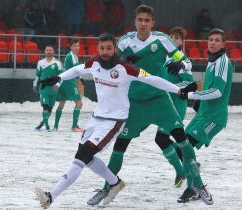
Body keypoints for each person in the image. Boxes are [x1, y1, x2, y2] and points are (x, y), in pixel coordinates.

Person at [34, 33, 189, 209]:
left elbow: (153, 79)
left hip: (114, 121)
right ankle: (115, 183)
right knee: (86, 156)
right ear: (97, 49)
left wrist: (178, 90)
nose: (105, 52)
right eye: (102, 48)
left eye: (109, 48)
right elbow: (78, 69)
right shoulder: (94, 63)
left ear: (115, 48)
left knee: (81, 157)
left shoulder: (127, 68)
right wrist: (60, 77)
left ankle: (50, 197)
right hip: (96, 118)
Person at [87, 5, 212, 206]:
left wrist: (180, 64)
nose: (143, 23)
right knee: (120, 146)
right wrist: (124, 59)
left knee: (182, 139)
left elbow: (186, 61)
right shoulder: (126, 40)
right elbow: (112, 62)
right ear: (135, 22)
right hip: (134, 104)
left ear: (152, 23)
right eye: (140, 20)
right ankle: (106, 188)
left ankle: (198, 184)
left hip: (159, 101)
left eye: (147, 20)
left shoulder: (163, 40)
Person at [177, 28, 232, 204]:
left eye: (217, 40)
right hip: (203, 114)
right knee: (181, 148)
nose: (213, 42)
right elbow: (210, 86)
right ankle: (194, 173)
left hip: (214, 118)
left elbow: (217, 91)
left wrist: (193, 95)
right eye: (211, 39)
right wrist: (200, 100)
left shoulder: (223, 62)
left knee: (186, 147)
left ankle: (192, 187)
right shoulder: (212, 60)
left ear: (224, 44)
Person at [154, 26, 194, 188]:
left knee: (161, 139)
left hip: (176, 106)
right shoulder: (162, 58)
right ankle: (188, 164)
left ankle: (182, 170)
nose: (173, 39)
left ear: (181, 42)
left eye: (177, 38)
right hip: (164, 106)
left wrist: (174, 87)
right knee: (166, 139)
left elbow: (189, 83)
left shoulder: (182, 61)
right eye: (171, 36)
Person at [53, 39, 83, 132]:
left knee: (62, 102)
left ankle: (55, 127)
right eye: (75, 46)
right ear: (70, 47)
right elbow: (76, 71)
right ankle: (74, 127)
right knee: (79, 103)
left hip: (65, 81)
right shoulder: (72, 56)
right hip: (70, 82)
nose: (77, 48)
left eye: (78, 46)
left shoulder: (72, 56)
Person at [33, 45, 62, 132]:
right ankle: (47, 127)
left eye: (50, 50)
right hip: (44, 88)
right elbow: (37, 75)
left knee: (49, 109)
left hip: (53, 89)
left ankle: (41, 124)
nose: (49, 51)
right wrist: (35, 84)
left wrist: (58, 85)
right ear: (45, 51)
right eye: (47, 50)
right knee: (45, 107)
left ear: (53, 52)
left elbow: (61, 77)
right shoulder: (40, 62)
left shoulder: (58, 63)